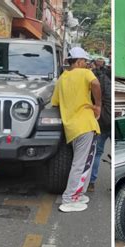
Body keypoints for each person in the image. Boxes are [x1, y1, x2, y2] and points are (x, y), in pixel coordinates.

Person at [52, 47, 101, 212]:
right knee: (82, 164)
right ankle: (70, 198)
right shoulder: (85, 73)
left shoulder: (62, 79)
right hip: (86, 125)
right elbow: (95, 83)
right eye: (85, 62)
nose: (87, 65)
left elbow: (55, 103)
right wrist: (98, 106)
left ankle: (78, 194)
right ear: (79, 61)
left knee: (80, 163)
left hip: (71, 127)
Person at [88, 57, 111, 192]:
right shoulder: (108, 82)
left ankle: (91, 182)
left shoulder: (92, 87)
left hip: (100, 122)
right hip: (111, 121)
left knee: (97, 153)